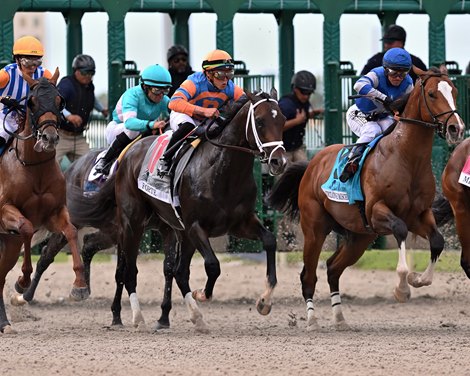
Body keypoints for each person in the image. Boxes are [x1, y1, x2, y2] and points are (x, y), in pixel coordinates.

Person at [157, 49, 245, 176]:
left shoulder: (230, 87)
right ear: (208, 73)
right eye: (220, 74)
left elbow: (246, 102)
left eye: (229, 74)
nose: (225, 80)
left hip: (206, 119)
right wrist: (204, 111)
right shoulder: (194, 82)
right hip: (184, 114)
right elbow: (173, 103)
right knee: (188, 127)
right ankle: (165, 160)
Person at [339, 47, 414, 183]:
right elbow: (359, 85)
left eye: (403, 74)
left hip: (382, 116)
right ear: (385, 69)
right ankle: (352, 162)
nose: (398, 78)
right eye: (394, 72)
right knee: (372, 130)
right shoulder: (376, 74)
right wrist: (383, 98)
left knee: (393, 131)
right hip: (359, 114)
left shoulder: (408, 83)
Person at [94, 64, 172, 175]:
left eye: (165, 90)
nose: (161, 95)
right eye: (156, 90)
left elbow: (176, 110)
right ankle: (105, 160)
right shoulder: (132, 95)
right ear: (145, 87)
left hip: (144, 132)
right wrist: (151, 124)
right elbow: (130, 123)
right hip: (118, 129)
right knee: (133, 130)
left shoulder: (164, 99)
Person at [0, 35, 52, 148]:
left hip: (33, 120)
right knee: (1, 136)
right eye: (28, 62)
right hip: (6, 118)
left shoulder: (45, 75)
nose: (33, 67)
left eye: (37, 63)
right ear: (17, 59)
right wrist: (3, 99)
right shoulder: (5, 75)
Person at [56, 54, 108, 166]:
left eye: (91, 73)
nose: (88, 76)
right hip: (61, 136)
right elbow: (56, 102)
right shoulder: (66, 84)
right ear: (76, 71)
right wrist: (69, 115)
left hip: (79, 137)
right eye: (85, 73)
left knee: (90, 166)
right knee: (50, 167)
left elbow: (92, 99)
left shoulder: (89, 86)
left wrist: (102, 109)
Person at [279, 70, 323, 164]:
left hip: (297, 147)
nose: (306, 96)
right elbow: (278, 127)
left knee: (304, 171)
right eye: (303, 92)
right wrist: (297, 121)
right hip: (283, 149)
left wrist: (313, 113)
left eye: (309, 93)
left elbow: (304, 115)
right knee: (284, 176)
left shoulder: (304, 103)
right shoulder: (286, 105)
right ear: (295, 89)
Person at [361, 24, 427, 83]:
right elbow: (362, 80)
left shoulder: (416, 63)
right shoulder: (375, 61)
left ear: (401, 43)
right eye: (385, 42)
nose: (386, 45)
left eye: (390, 42)